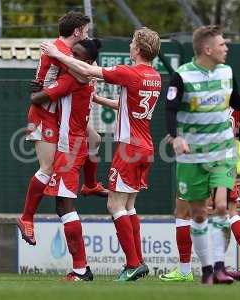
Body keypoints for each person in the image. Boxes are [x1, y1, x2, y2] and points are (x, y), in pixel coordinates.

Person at [40, 27, 162, 281]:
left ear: (138, 49)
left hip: (129, 147)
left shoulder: (130, 72)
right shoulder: (155, 76)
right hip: (146, 147)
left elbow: (86, 70)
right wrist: (98, 100)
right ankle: (139, 262)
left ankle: (131, 264)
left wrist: (57, 54)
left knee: (114, 204)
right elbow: (124, 104)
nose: (129, 46)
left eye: (131, 43)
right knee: (128, 205)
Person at [163, 25, 240, 284]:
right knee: (199, 214)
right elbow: (169, 109)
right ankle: (208, 270)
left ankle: (220, 268)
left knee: (223, 206)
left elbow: (236, 100)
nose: (227, 48)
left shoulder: (226, 72)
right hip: (193, 156)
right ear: (207, 49)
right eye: (222, 44)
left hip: (222, 154)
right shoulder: (183, 76)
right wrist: (177, 136)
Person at [30, 38, 102, 281]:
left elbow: (37, 99)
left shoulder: (74, 79)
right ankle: (81, 269)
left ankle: (82, 270)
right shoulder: (84, 76)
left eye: (77, 56)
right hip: (73, 145)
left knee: (65, 207)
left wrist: (38, 88)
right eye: (71, 52)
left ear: (88, 62)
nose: (71, 57)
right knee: (63, 207)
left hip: (69, 148)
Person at [17, 12, 91, 246]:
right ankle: (27, 218)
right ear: (77, 31)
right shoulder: (63, 51)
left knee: (92, 139)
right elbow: (83, 73)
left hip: (54, 115)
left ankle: (90, 184)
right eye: (86, 31)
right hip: (43, 114)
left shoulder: (58, 49)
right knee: (47, 168)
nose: (88, 35)